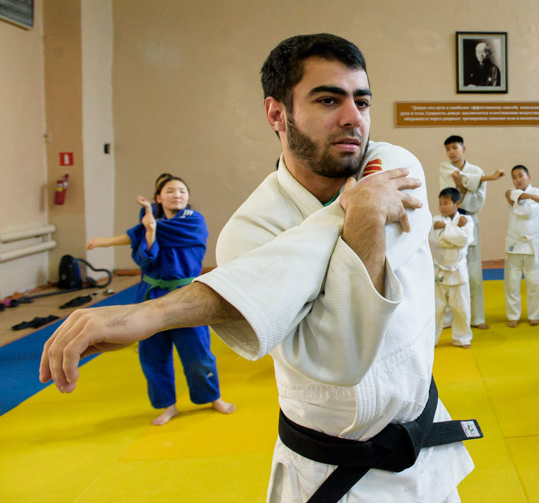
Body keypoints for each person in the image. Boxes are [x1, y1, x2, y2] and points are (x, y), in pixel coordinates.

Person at [42, 33, 475, 501]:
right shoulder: (249, 230)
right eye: (328, 100)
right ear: (276, 113)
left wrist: (158, 312)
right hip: (327, 473)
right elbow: (341, 357)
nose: (354, 117)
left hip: (424, 462)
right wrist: (362, 211)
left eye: (362, 101)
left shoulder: (395, 166)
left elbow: (298, 271)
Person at [86, 174, 235, 426]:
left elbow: (138, 235)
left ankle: (213, 397)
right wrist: (150, 231)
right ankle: (168, 405)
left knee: (197, 352)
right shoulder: (149, 226)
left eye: (182, 191)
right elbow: (145, 259)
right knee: (152, 353)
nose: (177, 195)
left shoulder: (193, 221)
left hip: (185, 296)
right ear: (158, 198)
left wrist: (134, 232)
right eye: (170, 191)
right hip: (151, 294)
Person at [438, 135, 504, 330]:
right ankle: (448, 319)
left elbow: (477, 204)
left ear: (463, 149)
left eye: (455, 148)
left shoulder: (476, 171)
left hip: (470, 222)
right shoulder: (445, 167)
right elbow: (448, 198)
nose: (451, 152)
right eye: (448, 149)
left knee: (474, 276)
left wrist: (461, 185)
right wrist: (485, 179)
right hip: (450, 223)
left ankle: (477, 318)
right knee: (449, 274)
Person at [432, 188, 475, 348]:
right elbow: (437, 240)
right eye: (440, 203)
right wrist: (456, 228)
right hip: (440, 270)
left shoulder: (466, 220)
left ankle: (462, 338)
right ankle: (431, 340)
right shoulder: (435, 220)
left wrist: (446, 227)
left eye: (446, 203)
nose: (442, 206)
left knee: (461, 307)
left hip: (458, 270)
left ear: (457, 204)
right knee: (436, 309)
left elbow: (464, 239)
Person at [503, 165, 539, 328]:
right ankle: (513, 315)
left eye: (521, 176)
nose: (518, 180)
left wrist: (517, 201)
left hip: (531, 245)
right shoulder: (512, 192)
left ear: (529, 176)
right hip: (514, 243)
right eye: (514, 177)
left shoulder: (537, 192)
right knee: (512, 282)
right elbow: (509, 194)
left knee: (533, 282)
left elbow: (527, 213)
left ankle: (534, 314)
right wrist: (525, 197)